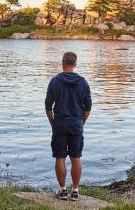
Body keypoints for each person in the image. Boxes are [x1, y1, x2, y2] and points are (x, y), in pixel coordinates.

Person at [45, 52, 92, 201]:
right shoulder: (83, 82)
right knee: (76, 157)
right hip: (76, 124)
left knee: (60, 157)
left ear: (62, 62)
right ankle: (76, 190)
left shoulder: (54, 81)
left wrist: (52, 122)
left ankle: (62, 190)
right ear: (75, 64)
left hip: (60, 123)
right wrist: (82, 122)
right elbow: (88, 107)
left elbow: (48, 106)